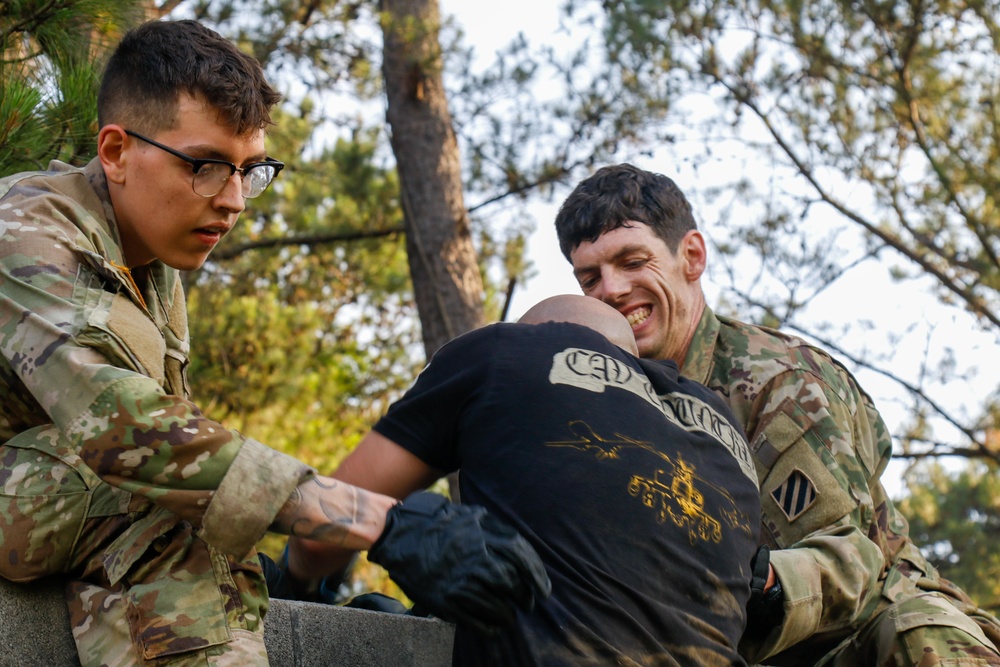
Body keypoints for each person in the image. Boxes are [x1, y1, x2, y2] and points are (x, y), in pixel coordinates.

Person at [0, 19, 548, 666]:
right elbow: (129, 433)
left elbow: (176, 441)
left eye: (249, 171)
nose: (234, 201)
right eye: (206, 167)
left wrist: (279, 579)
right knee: (161, 499)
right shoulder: (23, 230)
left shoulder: (151, 261)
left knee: (207, 520)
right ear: (116, 152)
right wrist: (376, 520)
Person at [553, 163, 1000, 666]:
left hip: (858, 641)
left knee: (920, 635)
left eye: (633, 261)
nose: (612, 290)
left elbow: (850, 563)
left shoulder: (777, 384)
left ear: (691, 257)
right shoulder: (603, 405)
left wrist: (745, 579)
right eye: (590, 278)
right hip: (727, 653)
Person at [288, 294, 763, 666]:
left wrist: (299, 583)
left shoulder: (506, 350)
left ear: (538, 331)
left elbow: (321, 535)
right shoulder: (730, 441)